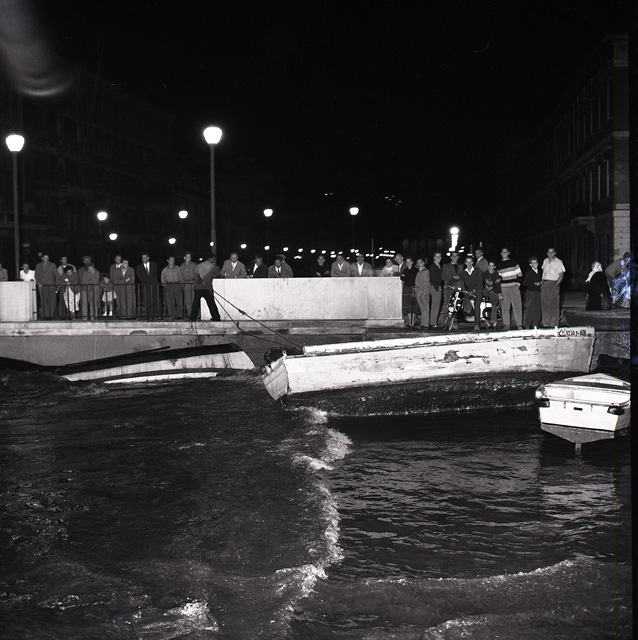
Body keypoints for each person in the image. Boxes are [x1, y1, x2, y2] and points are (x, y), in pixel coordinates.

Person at [496, 247, 523, 331]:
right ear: (501, 253)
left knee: (517, 306)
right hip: (504, 288)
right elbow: (499, 277)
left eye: (506, 252)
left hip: (514, 287)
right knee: (505, 307)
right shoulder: (499, 265)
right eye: (503, 252)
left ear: (508, 253)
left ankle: (519, 324)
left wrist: (518, 284)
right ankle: (507, 324)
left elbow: (519, 274)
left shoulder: (513, 262)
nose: (504, 254)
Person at [190, 254, 221, 322]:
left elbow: (194, 275)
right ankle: (216, 317)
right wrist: (217, 268)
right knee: (211, 303)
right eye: (214, 259)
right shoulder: (213, 266)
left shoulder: (199, 265)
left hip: (197, 287)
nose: (214, 260)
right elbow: (218, 274)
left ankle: (193, 318)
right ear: (210, 259)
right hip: (207, 288)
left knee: (196, 303)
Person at [540, 247, 565, 327]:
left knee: (554, 303)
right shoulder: (545, 261)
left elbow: (561, 276)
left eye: (552, 252)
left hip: (553, 283)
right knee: (545, 303)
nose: (550, 254)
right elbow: (543, 273)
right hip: (545, 283)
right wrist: (542, 282)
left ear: (555, 253)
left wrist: (556, 284)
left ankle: (554, 323)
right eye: (549, 252)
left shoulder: (559, 262)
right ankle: (546, 322)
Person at [461, 255, 484, 332]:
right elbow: (458, 279)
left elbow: (480, 283)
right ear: (465, 263)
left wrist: (473, 291)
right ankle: (456, 321)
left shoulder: (478, 270)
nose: (469, 264)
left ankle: (477, 325)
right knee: (460, 302)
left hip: (478, 290)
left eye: (470, 262)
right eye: (467, 262)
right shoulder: (464, 272)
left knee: (476, 306)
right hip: (469, 291)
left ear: (473, 262)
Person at [441, 251, 463, 328]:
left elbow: (462, 277)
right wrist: (452, 277)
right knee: (447, 304)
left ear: (458, 257)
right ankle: (444, 322)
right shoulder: (446, 266)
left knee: (456, 306)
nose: (455, 257)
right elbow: (443, 276)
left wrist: (462, 288)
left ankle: (454, 322)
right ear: (450, 257)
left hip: (458, 288)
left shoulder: (461, 266)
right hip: (449, 288)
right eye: (453, 256)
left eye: (456, 256)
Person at [136, 253, 160, 318]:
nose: (143, 259)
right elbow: (140, 277)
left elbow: (156, 274)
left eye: (145, 257)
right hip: (146, 286)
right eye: (142, 258)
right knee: (148, 301)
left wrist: (152, 282)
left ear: (148, 258)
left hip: (154, 285)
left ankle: (159, 315)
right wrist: (145, 283)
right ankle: (149, 315)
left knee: (156, 300)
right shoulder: (139, 267)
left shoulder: (154, 264)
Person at [35, 254, 59, 318]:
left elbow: (57, 275)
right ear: (42, 258)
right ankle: (45, 315)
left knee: (51, 300)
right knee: (43, 301)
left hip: (51, 285)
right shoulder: (38, 265)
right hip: (42, 286)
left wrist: (56, 284)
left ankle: (51, 315)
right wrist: (39, 283)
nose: (46, 259)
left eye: (47, 258)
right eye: (45, 257)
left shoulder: (52, 265)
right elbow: (36, 275)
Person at [522, 257, 542, 328]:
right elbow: (525, 282)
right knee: (530, 308)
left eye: (536, 262)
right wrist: (534, 283)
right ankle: (527, 324)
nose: (535, 264)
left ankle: (536, 324)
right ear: (530, 265)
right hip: (531, 292)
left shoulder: (540, 272)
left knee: (538, 308)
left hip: (538, 292)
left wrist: (541, 282)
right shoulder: (529, 272)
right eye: (533, 263)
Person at [482, 261, 502, 329]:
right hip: (485, 291)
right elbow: (482, 282)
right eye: (489, 266)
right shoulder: (485, 273)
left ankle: (493, 321)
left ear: (494, 267)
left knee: (494, 303)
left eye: (492, 266)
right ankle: (484, 319)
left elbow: (498, 286)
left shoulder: (496, 275)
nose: (490, 267)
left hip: (493, 291)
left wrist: (499, 293)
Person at [400, 256, 419, 327]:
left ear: (412, 262)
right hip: (406, 288)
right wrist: (404, 276)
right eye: (407, 262)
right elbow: (402, 278)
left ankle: (413, 321)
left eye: (409, 261)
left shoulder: (415, 270)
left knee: (413, 304)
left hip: (412, 287)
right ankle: (409, 321)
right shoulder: (405, 270)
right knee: (407, 304)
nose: (408, 263)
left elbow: (415, 279)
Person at [414, 258, 431, 330]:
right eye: (418, 262)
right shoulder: (420, 271)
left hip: (423, 293)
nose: (419, 264)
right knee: (422, 309)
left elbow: (426, 283)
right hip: (419, 292)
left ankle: (425, 324)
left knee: (425, 308)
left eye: (420, 262)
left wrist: (422, 293)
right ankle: (423, 323)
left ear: (423, 263)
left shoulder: (425, 271)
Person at [179, 252, 197, 318]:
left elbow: (197, 273)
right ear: (184, 258)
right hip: (186, 283)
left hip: (193, 282)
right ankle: (189, 312)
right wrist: (182, 283)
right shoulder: (182, 266)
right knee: (188, 298)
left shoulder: (194, 265)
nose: (189, 258)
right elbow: (180, 275)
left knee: (194, 298)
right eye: (188, 257)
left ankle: (195, 312)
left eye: (190, 257)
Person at [429, 252, 444, 327]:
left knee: (436, 305)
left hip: (437, 287)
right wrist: (436, 288)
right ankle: (433, 322)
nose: (438, 258)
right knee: (435, 305)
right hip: (436, 287)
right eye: (437, 257)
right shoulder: (433, 266)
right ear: (434, 258)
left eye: (439, 256)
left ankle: (433, 321)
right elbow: (432, 278)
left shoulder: (438, 265)